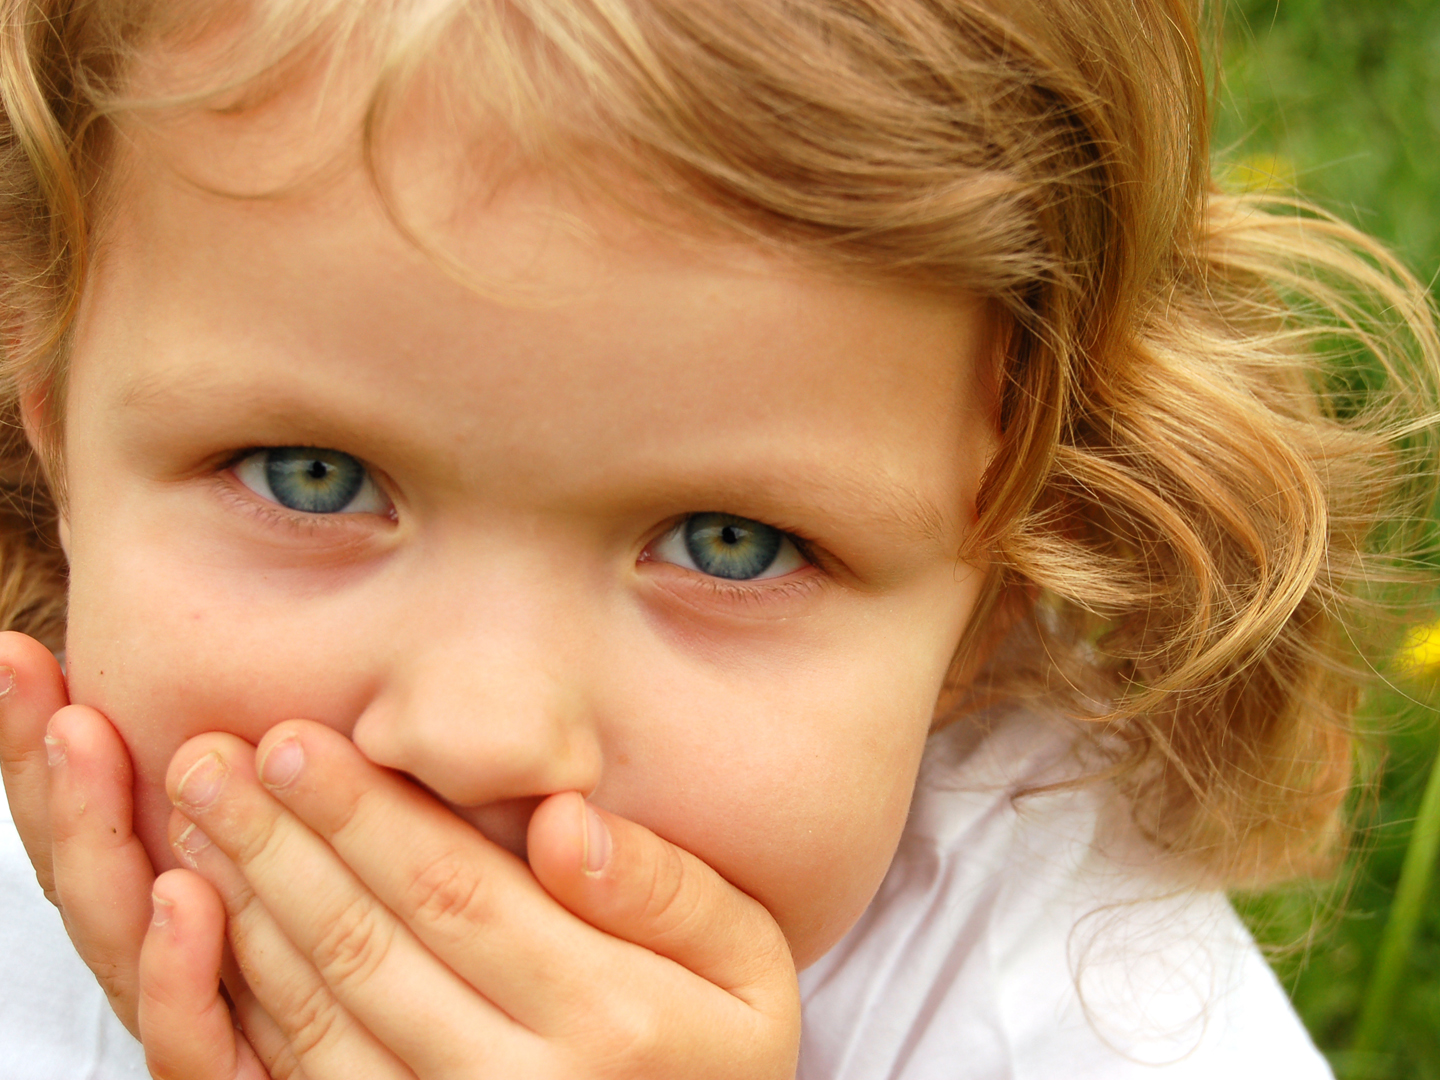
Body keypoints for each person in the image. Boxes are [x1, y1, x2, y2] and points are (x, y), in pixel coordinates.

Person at [0, 1, 1435, 1077]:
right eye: (310, 477)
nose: (476, 728)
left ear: (1001, 587)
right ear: (57, 421)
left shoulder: (1079, 1000)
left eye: (729, 542)